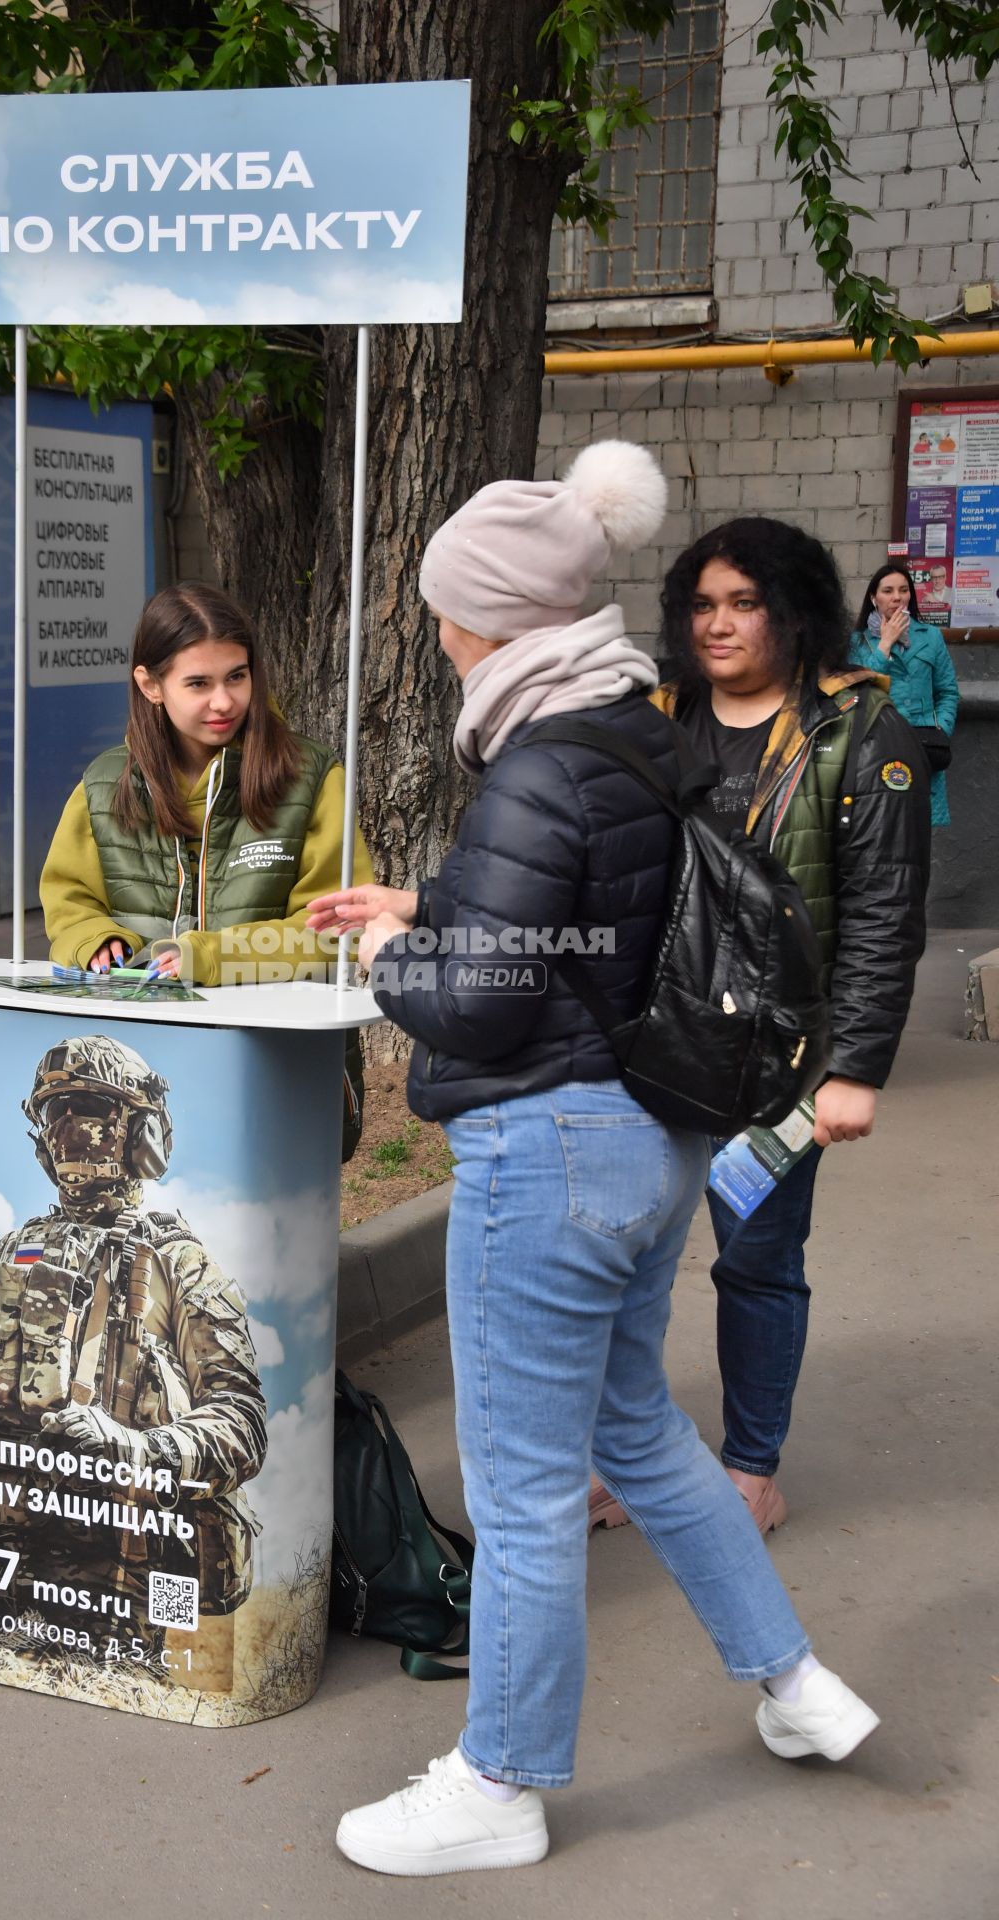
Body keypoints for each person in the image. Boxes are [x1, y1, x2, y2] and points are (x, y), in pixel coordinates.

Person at [308, 448, 880, 1879]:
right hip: (652, 1140)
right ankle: (799, 1688)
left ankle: (499, 1782)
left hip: (546, 1152)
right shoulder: (635, 721)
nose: (436, 630)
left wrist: (393, 947)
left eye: (445, 611)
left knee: (519, 1488)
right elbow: (601, 898)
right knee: (642, 1438)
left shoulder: (534, 761)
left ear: (489, 621)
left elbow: (478, 1000)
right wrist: (437, 898)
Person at [600, 518, 927, 1539]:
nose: (718, 624)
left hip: (778, 1064)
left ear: (792, 612)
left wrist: (855, 1069)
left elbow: (881, 911)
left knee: (753, 1262)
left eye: (743, 603)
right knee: (614, 1264)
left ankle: (748, 1467)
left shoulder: (859, 732)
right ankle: (625, 1457)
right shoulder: (649, 718)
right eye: (701, 604)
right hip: (642, 1044)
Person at [0, 1033, 267, 1669]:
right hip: (2, 1565)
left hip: (121, 1584)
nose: (72, 1128)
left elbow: (242, 1423)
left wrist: (132, 1447)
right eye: (56, 1112)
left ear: (140, 1133)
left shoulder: (179, 1261)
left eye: (94, 1110)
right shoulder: (15, 1249)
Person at [40, 580, 372, 1151]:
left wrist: (208, 958)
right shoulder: (103, 784)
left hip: (277, 1059)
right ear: (150, 685)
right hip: (139, 1058)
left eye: (236, 677)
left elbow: (340, 929)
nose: (223, 702)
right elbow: (68, 902)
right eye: (198, 683)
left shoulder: (312, 777)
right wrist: (93, 940)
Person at [849, 561, 958, 827]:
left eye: (903, 590)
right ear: (874, 598)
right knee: (880, 826)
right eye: (887, 591)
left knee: (918, 831)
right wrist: (885, 644)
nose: (897, 597)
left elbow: (948, 692)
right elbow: (856, 691)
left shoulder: (930, 637)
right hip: (876, 744)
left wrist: (941, 729)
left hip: (923, 744)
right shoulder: (857, 642)